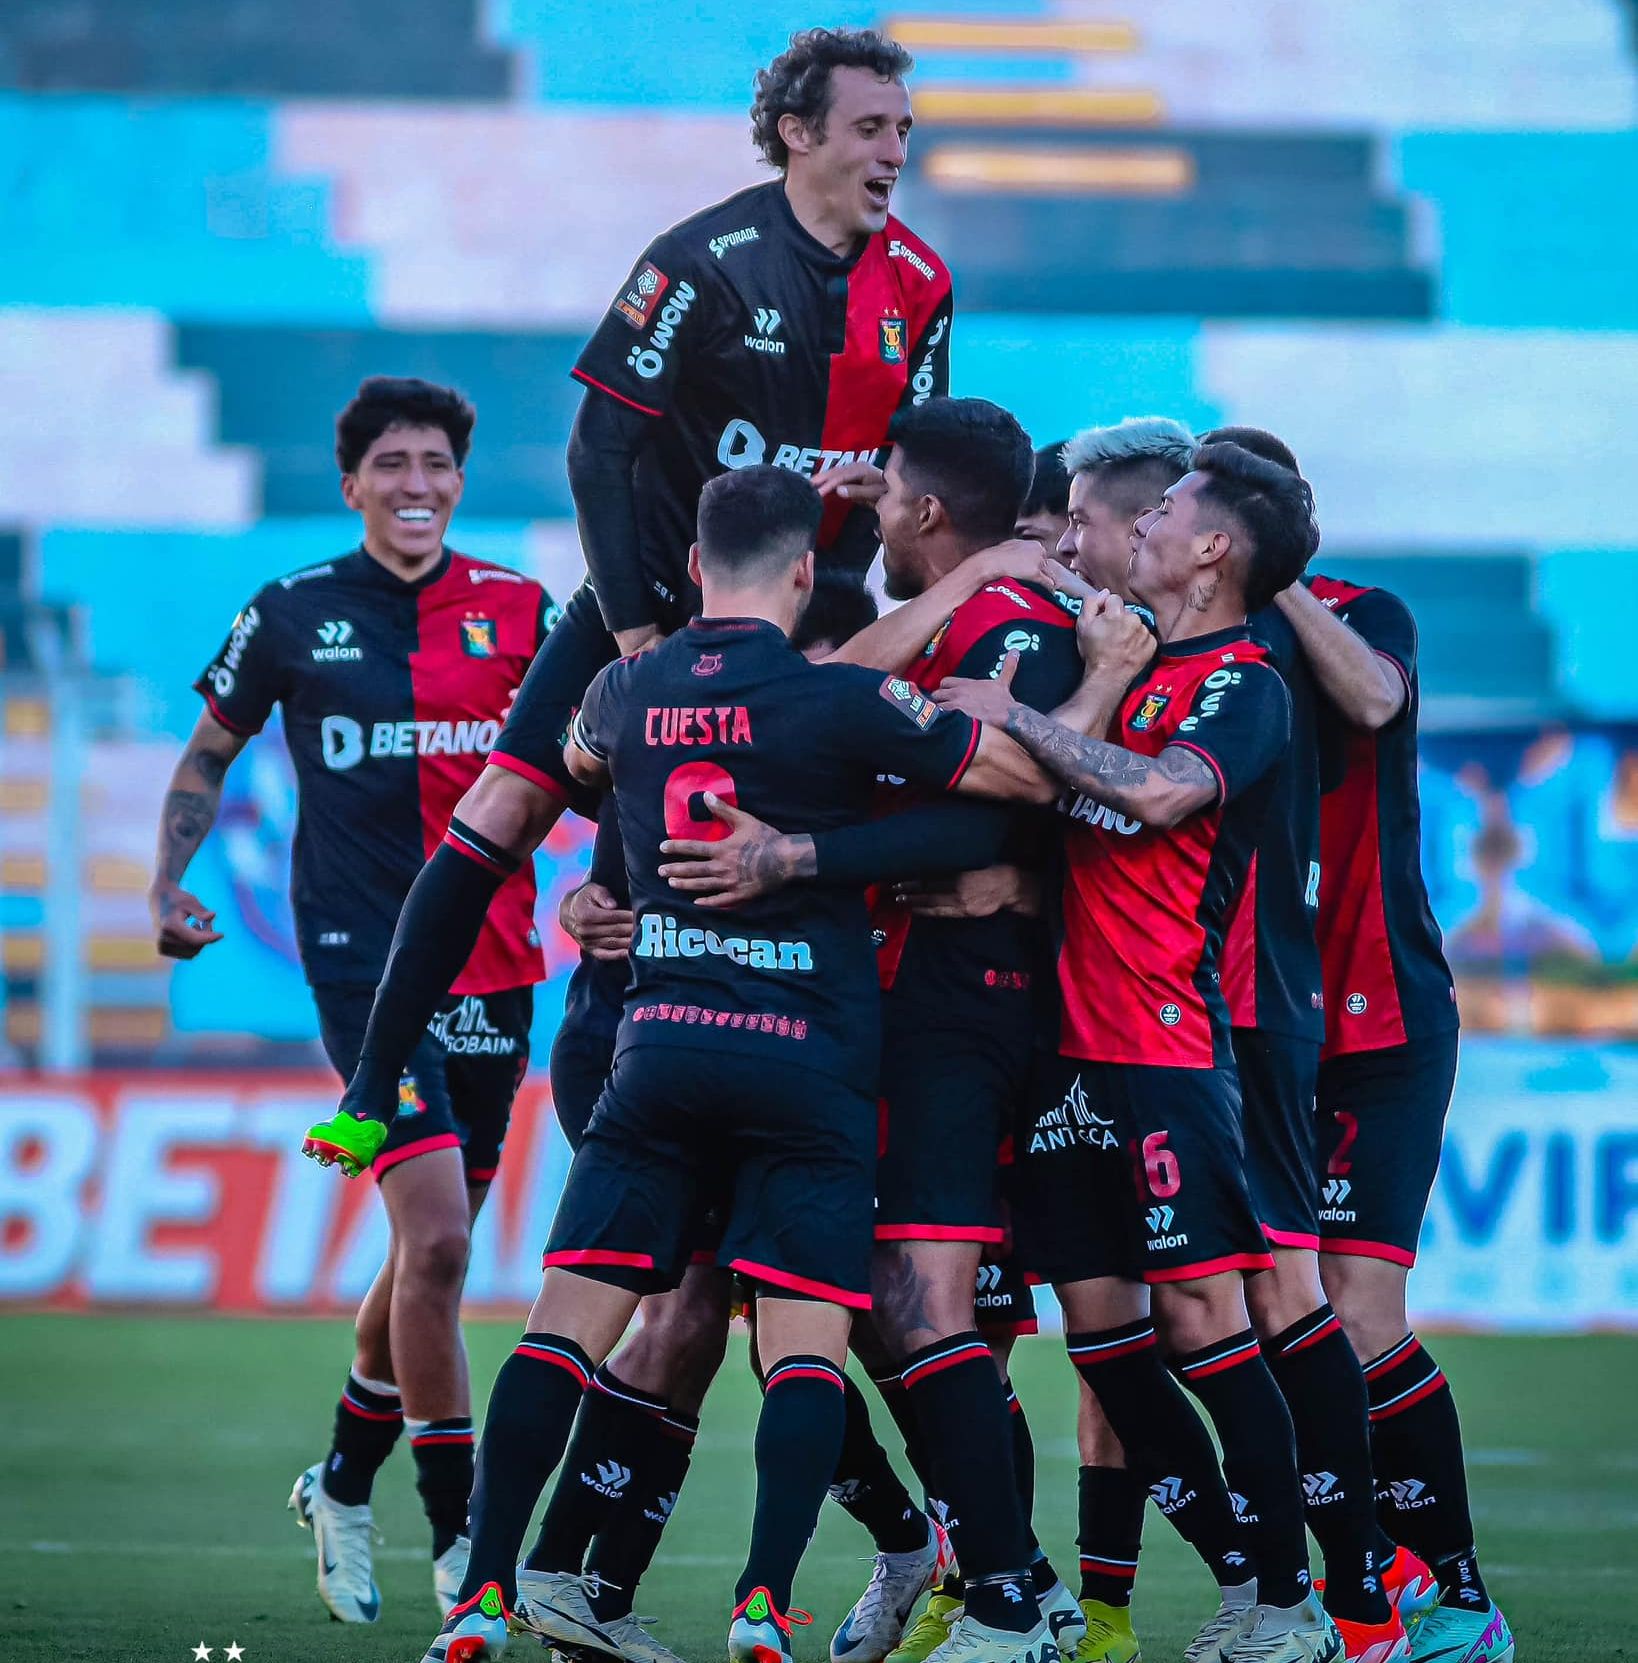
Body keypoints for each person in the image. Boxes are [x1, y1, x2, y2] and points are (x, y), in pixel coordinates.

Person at [423, 465, 1062, 1663]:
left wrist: (607, 893)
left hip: (657, 1055)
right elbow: (1013, 790)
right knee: (803, 1347)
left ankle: (483, 1593)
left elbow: (573, 760)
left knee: (567, 1330)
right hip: (805, 1060)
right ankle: (763, 1602)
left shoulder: (623, 689)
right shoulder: (834, 699)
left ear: (698, 569)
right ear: (807, 572)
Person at [302, 25, 957, 1177]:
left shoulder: (921, 284)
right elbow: (598, 452)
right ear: (798, 134)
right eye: (870, 128)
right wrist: (642, 630)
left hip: (823, 612)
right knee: (499, 819)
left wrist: (886, 484)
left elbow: (925, 466)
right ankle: (371, 1086)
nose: (894, 150)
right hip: (650, 598)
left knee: (858, 847)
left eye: (903, 129)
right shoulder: (701, 262)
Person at [932, 443, 1347, 1663]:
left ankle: (1289, 1602)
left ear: (1213, 546)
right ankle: (1233, 1579)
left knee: (1207, 1316)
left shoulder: (1245, 681)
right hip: (1063, 1053)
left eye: (1164, 510)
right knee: (1108, 1341)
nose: (1139, 525)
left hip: (1165, 1045)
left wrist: (1012, 713)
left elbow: (1163, 796)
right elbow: (1055, 775)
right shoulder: (1131, 660)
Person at [149, 377, 555, 1623]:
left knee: (425, 1258)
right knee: (435, 1242)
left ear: (460, 479)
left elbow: (595, 765)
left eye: (437, 462)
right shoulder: (291, 611)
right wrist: (167, 879)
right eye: (392, 464)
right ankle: (458, 1542)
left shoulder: (521, 610)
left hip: (498, 965)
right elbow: (208, 755)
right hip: (359, 962)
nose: (417, 484)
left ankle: (338, 1478)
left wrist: (621, 890)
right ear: (352, 484)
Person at [512, 576, 884, 1663]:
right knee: (703, 1317)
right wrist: (587, 905)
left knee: (739, 1326)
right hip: (652, 1052)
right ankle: (565, 1574)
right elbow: (602, 859)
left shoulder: (748, 713)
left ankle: (572, 1582)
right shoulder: (710, 700)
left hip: (711, 1056)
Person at [1276, 556, 1515, 1663]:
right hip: (1245, 1032)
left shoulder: (1358, 614)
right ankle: (1376, 1570)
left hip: (1377, 1024)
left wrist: (1273, 582)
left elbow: (1374, 699)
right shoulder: (1160, 641)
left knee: (1355, 1308)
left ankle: (1454, 1595)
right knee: (1211, 1314)